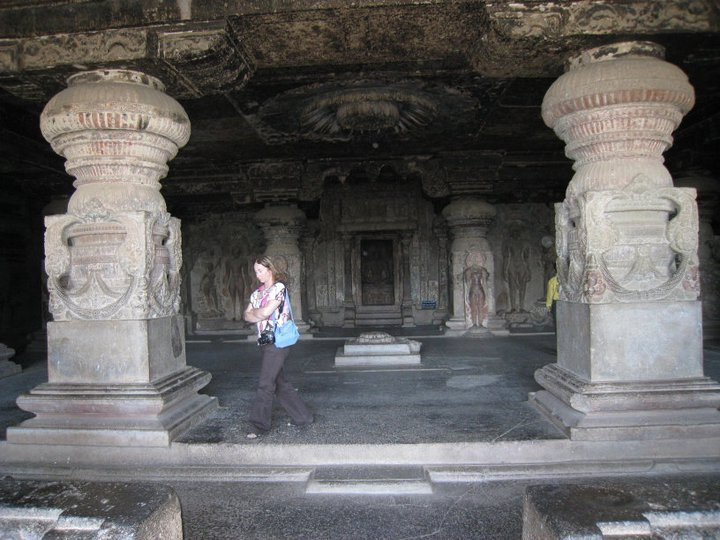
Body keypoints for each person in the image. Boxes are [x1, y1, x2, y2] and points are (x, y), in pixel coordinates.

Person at [243, 255, 313, 439]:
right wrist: (258, 314)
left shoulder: (279, 288)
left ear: (270, 270)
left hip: (279, 342)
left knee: (265, 383)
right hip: (266, 341)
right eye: (255, 271)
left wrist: (258, 314)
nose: (257, 274)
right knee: (279, 382)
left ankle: (258, 425)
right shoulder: (257, 293)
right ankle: (303, 417)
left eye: (260, 271)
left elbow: (264, 312)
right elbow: (247, 316)